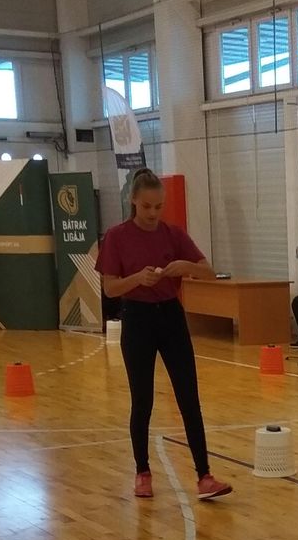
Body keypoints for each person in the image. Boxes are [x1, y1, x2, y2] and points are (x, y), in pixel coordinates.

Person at [95, 170, 233, 502]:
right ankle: (142, 471)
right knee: (142, 400)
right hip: (137, 319)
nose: (153, 213)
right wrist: (137, 279)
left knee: (189, 398)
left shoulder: (173, 234)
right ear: (133, 201)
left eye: (158, 207)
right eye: (147, 206)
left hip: (171, 317)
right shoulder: (117, 236)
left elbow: (209, 271)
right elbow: (110, 288)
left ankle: (204, 476)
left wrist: (186, 266)